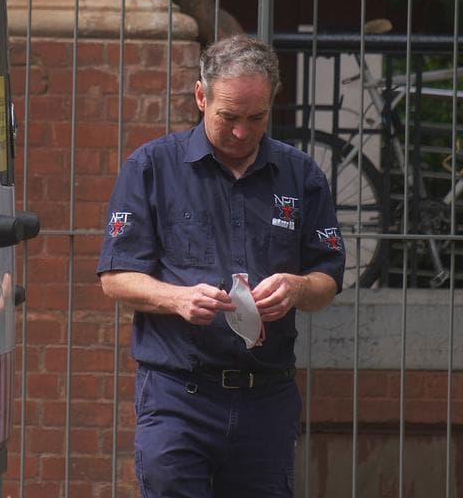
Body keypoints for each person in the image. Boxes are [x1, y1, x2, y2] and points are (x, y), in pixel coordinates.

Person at [97, 34, 345, 498]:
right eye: (228, 117)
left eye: (257, 118)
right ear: (201, 96)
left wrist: (297, 287)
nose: (242, 132)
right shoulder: (151, 167)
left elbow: (327, 279)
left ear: (272, 103)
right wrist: (176, 298)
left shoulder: (301, 174)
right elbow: (115, 278)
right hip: (177, 394)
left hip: (266, 397)